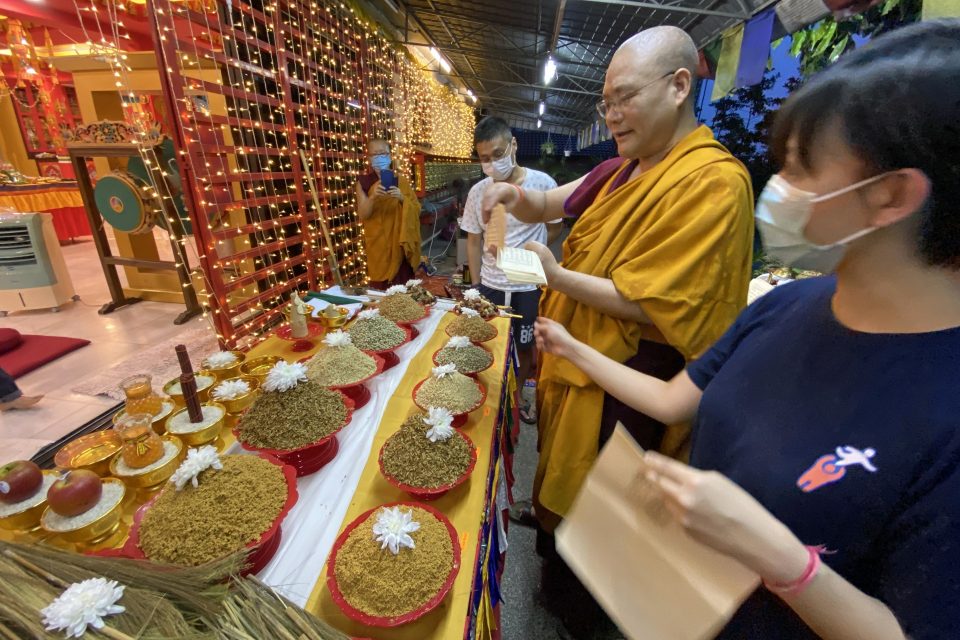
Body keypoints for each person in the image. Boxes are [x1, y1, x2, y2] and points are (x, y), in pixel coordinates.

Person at [534, 19, 960, 640]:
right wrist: (571, 346)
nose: (779, 190)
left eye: (803, 166)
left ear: (891, 195)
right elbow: (674, 398)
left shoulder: (945, 412)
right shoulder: (785, 308)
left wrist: (782, 559)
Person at [481, 26, 754, 536]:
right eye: (606, 103)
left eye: (624, 97)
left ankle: (580, 604)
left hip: (632, 377)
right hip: (576, 351)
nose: (611, 115)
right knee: (561, 472)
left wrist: (557, 276)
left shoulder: (714, 181)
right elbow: (544, 202)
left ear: (678, 86)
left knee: (603, 507)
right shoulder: (615, 170)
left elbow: (655, 304)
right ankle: (548, 541)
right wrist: (512, 198)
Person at [461, 116, 561, 423]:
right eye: (485, 159)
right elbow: (474, 242)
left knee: (526, 343)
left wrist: (531, 251)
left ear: (514, 146)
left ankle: (523, 398)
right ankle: (494, 397)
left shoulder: (542, 184)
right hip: (490, 284)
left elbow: (554, 228)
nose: (492, 164)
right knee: (489, 340)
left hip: (527, 283)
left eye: (498, 154)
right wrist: (476, 284)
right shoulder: (479, 191)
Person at [356, 139, 422, 289]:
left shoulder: (401, 181)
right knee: (382, 290)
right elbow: (363, 214)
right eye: (375, 154)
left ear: (390, 156)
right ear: (369, 158)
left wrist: (402, 199)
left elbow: (416, 209)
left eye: (383, 153)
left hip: (400, 243)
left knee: (404, 289)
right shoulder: (363, 183)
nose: (380, 158)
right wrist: (372, 197)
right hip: (378, 246)